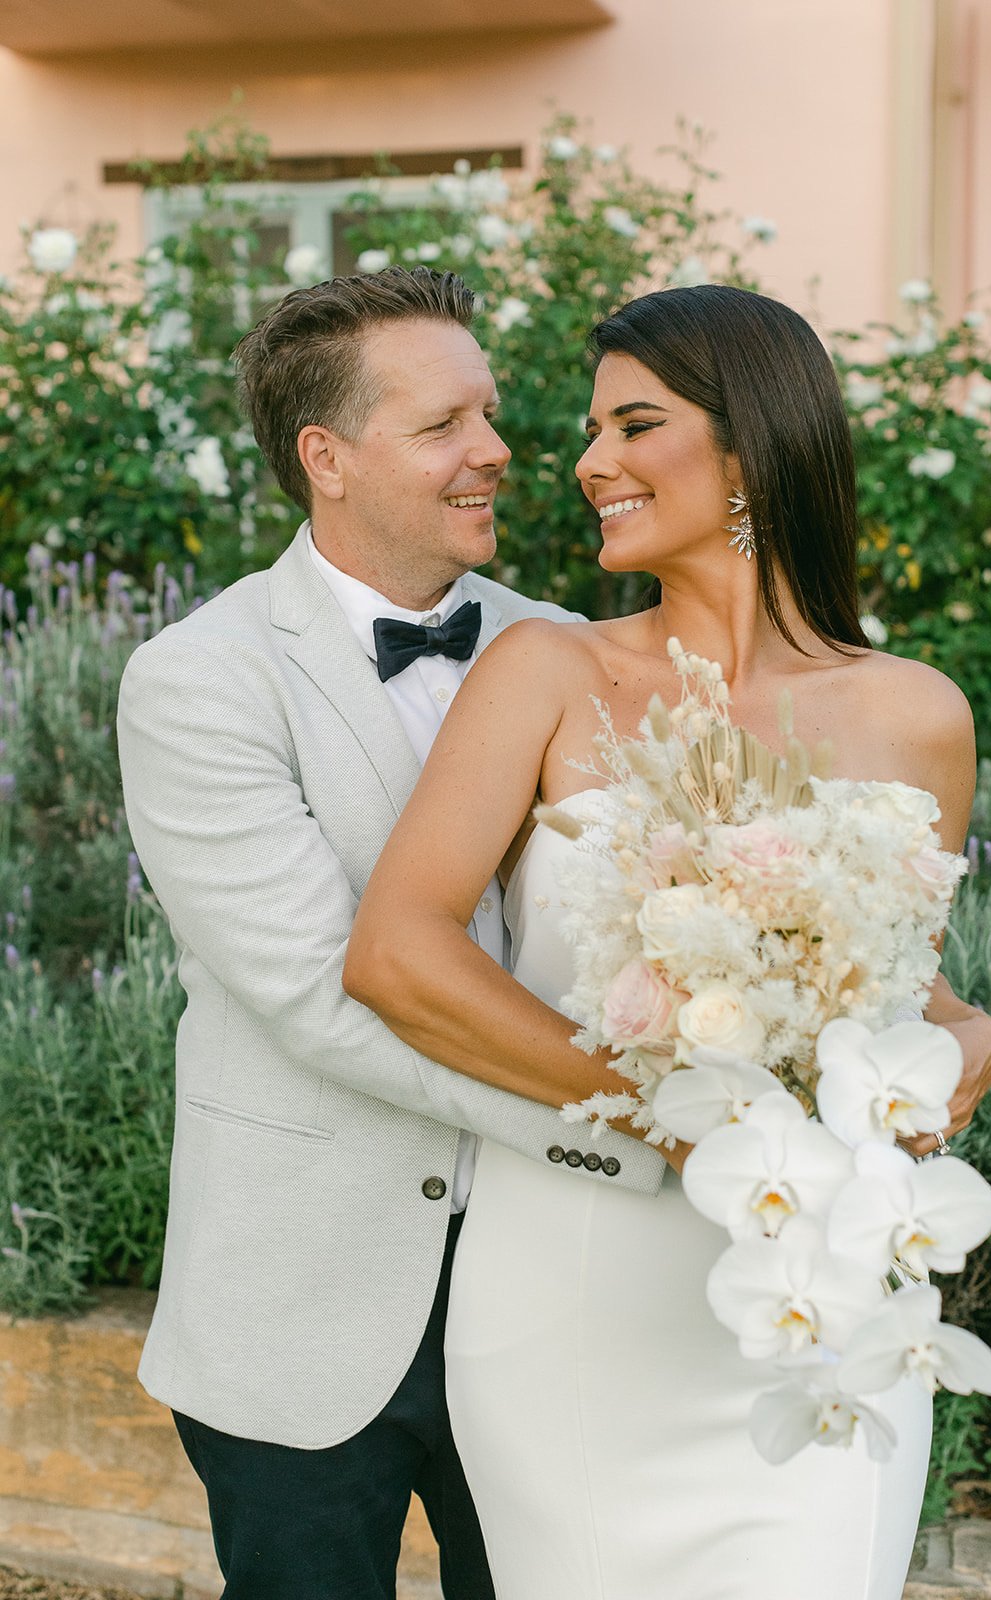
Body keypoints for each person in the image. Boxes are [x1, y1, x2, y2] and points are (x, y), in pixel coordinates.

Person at [345, 282, 991, 1600]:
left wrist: (963, 1032)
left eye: (634, 425)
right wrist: (676, 1118)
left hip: (824, 1300)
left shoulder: (920, 714)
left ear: (751, 445)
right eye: (592, 431)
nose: (589, 464)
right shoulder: (545, 671)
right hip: (579, 1294)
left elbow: (897, 989)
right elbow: (398, 956)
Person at [115, 267, 667, 1600]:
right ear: (328, 458)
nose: (496, 451)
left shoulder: (579, 651)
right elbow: (325, 996)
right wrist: (642, 1127)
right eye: (442, 426)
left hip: (553, 1299)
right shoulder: (198, 679)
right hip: (295, 1311)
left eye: (487, 414)